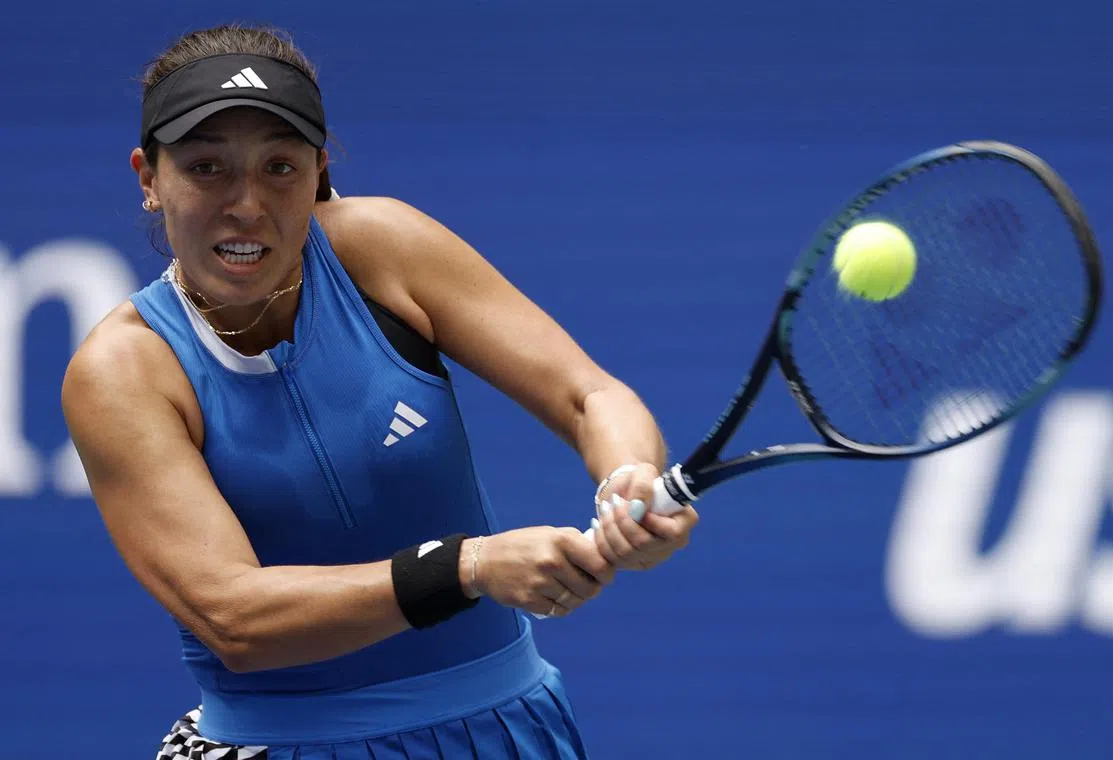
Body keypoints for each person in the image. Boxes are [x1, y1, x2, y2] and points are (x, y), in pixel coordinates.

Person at [61, 23, 699, 760]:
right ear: (149, 178)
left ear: (319, 170)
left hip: (510, 730)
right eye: (207, 168)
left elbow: (590, 396)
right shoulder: (123, 369)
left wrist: (628, 481)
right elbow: (233, 618)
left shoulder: (382, 248)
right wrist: (467, 567)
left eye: (279, 167)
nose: (247, 204)